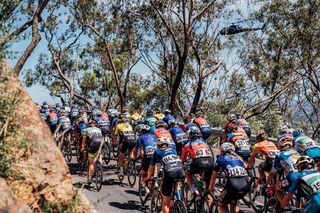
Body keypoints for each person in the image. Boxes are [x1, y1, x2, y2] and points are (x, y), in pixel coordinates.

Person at [147, 137, 185, 213]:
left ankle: (170, 204)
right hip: (181, 170)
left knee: (165, 203)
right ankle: (179, 200)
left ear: (158, 145)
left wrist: (148, 177)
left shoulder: (157, 152)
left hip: (169, 172)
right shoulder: (173, 149)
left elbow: (151, 167)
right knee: (176, 182)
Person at [209, 143, 249, 213]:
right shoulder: (238, 158)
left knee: (222, 204)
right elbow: (245, 167)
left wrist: (211, 187)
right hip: (246, 184)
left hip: (233, 185)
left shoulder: (220, 159)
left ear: (222, 151)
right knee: (234, 202)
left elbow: (214, 176)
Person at [181, 126, 214, 199]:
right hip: (210, 162)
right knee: (207, 191)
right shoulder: (205, 143)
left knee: (188, 172)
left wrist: (181, 167)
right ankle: (210, 205)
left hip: (198, 163)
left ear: (189, 135)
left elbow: (182, 160)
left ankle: (193, 191)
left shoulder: (188, 145)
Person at [265, 135, 301, 202]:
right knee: (299, 196)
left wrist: (266, 184)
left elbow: (272, 172)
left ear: (281, 147)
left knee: (277, 188)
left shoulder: (280, 155)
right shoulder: (297, 153)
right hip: (303, 175)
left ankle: (285, 207)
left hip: (293, 177)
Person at [132, 125, 157, 195]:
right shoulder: (154, 136)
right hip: (157, 155)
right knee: (155, 166)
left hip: (148, 156)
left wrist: (134, 158)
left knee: (143, 172)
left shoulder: (141, 137)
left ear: (142, 131)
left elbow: (136, 150)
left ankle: (145, 187)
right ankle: (156, 181)